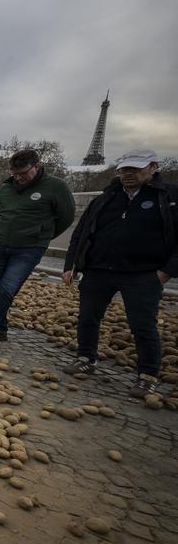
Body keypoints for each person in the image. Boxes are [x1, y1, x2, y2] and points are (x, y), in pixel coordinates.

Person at [62, 149, 177, 396]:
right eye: (124, 169)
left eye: (135, 169)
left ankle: (147, 373)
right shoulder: (106, 198)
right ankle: (86, 357)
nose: (128, 174)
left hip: (143, 273)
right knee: (88, 317)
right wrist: (70, 265)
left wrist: (166, 272)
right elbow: (81, 233)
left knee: (142, 324)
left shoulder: (168, 197)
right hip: (99, 269)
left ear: (153, 167)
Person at [0, 149, 75, 351]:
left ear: (37, 166)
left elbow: (66, 217)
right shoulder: (6, 188)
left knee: (7, 289)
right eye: (15, 173)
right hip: (0, 244)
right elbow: (4, 212)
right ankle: (1, 328)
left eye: (23, 173)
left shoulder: (56, 187)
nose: (18, 178)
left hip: (29, 249)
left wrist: (42, 235)